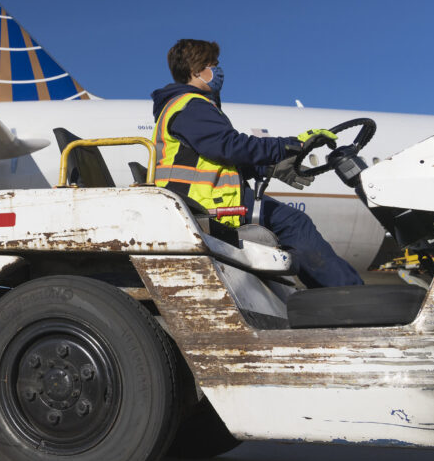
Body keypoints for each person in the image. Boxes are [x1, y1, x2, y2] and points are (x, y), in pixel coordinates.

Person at [151, 38, 363, 288]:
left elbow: (217, 159)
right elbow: (230, 146)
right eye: (213, 64)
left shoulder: (188, 106)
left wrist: (271, 167)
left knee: (290, 225)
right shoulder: (191, 106)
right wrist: (294, 145)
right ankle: (346, 294)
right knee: (295, 223)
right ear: (197, 70)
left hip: (207, 199)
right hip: (203, 203)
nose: (219, 71)